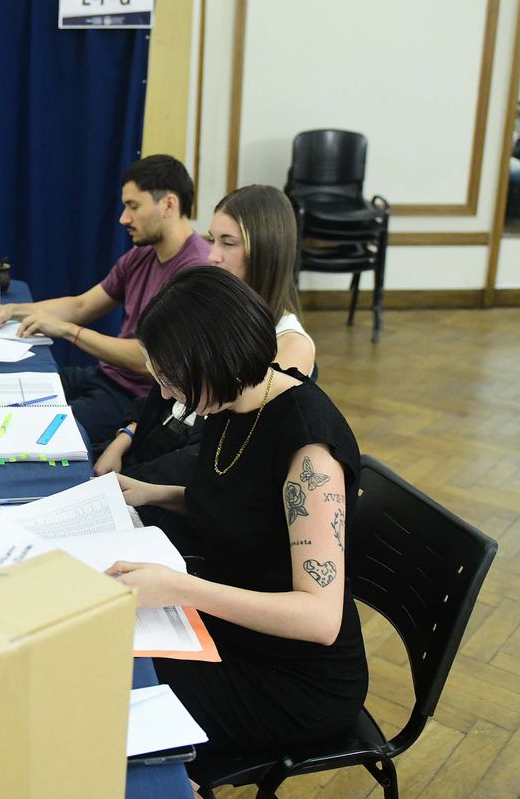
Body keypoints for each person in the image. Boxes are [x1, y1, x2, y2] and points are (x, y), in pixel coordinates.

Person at [107, 266, 368, 767]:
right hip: (234, 627)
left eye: (171, 379)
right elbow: (239, 503)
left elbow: (319, 619)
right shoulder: (234, 401)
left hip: (295, 679)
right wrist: (153, 493)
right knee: (106, 660)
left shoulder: (309, 452)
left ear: (213, 362)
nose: (165, 395)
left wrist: (181, 588)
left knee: (123, 715)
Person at [0, 154, 209, 449]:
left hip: (138, 399)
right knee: (2, 394)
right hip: (104, 376)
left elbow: (151, 360)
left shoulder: (196, 272)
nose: (123, 218)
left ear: (168, 204)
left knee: (26, 432)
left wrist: (68, 331)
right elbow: (82, 306)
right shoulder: (142, 254)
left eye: (133, 206)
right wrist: (11, 311)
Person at [94, 185, 316, 483]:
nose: (213, 256)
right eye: (212, 240)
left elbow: (234, 446)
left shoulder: (290, 343)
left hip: (192, 469)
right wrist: (123, 439)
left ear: (266, 250)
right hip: (157, 439)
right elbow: (162, 394)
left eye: (228, 243)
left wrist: (146, 482)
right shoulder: (218, 308)